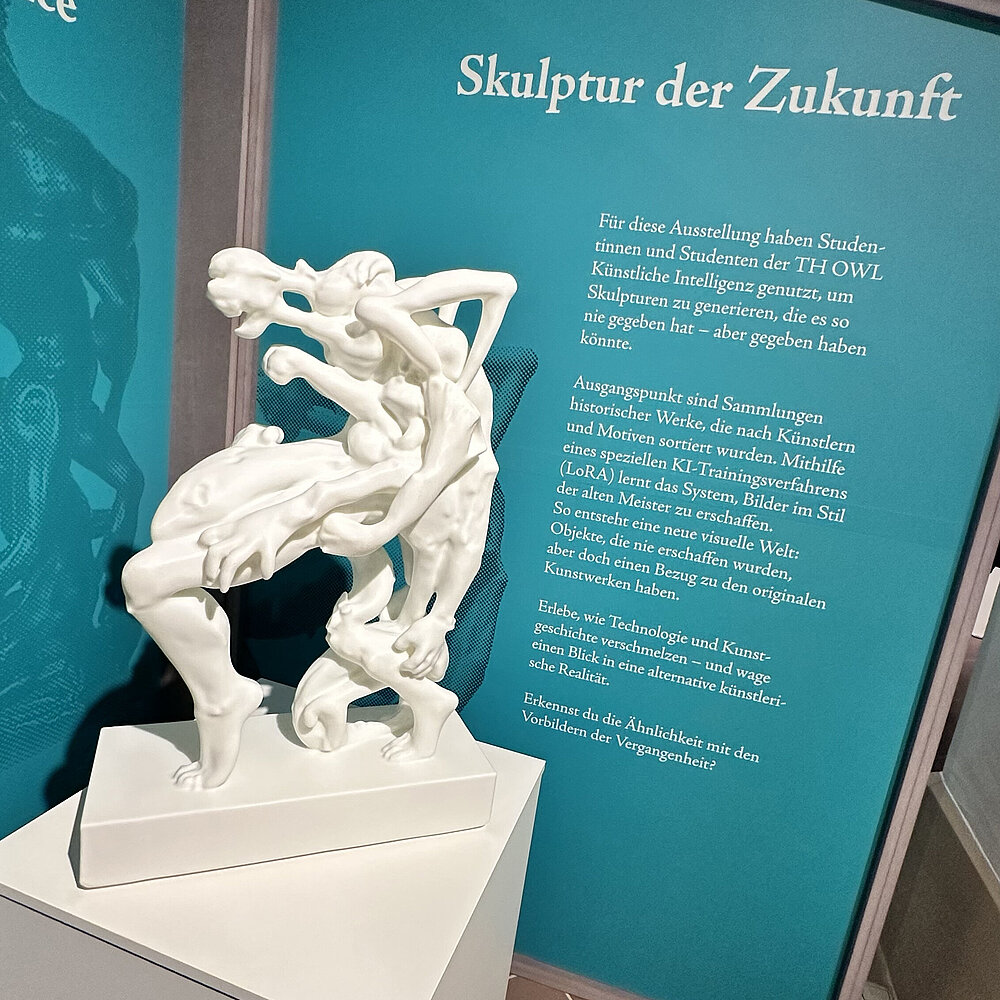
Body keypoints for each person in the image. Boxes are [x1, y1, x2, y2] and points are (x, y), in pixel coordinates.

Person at [122, 249, 515, 786]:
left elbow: (410, 471)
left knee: (145, 579)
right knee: (170, 526)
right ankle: (227, 691)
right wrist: (293, 326)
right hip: (342, 470)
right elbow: (372, 390)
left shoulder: (450, 402)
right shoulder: (405, 359)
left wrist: (296, 513)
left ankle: (221, 698)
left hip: (358, 495)